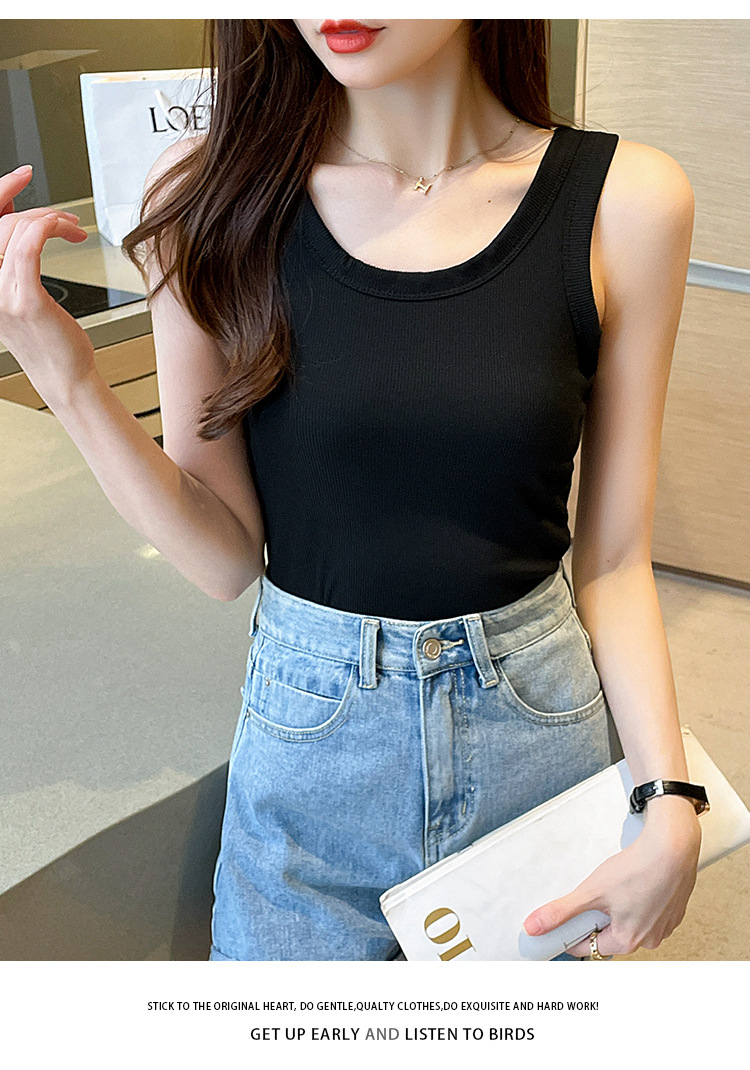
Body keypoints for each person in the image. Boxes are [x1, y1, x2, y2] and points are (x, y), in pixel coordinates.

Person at [0, 19, 704, 962]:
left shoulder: (627, 200)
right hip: (311, 754)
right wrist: (68, 380)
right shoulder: (210, 196)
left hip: (535, 736)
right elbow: (221, 558)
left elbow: (613, 561)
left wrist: (668, 797)